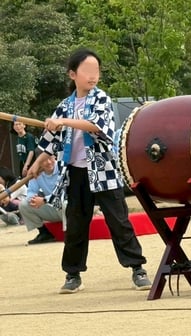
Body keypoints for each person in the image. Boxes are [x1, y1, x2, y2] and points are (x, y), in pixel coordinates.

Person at [27, 48, 151, 294]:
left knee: (118, 221)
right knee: (75, 225)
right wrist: (37, 162)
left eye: (97, 71)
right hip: (75, 172)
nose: (93, 76)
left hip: (103, 169)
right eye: (87, 71)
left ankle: (137, 268)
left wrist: (63, 122)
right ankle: (72, 274)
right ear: (72, 74)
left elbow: (97, 126)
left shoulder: (101, 98)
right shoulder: (64, 106)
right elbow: (51, 140)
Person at [18, 154, 63, 244]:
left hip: (67, 207)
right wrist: (33, 199)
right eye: (44, 160)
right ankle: (44, 233)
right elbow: (31, 192)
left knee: (65, 202)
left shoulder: (63, 168)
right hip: (52, 208)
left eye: (50, 158)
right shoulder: (36, 172)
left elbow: (64, 194)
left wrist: (44, 200)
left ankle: (70, 232)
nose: (48, 162)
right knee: (24, 205)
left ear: (55, 157)